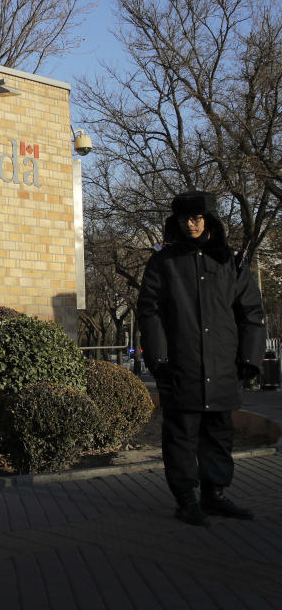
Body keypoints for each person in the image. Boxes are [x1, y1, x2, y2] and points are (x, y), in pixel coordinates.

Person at [137, 190, 265, 527]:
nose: (190, 225)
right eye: (184, 219)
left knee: (219, 435)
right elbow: (149, 313)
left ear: (208, 219)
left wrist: (250, 359)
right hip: (182, 366)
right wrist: (160, 358)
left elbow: (251, 311)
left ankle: (215, 495)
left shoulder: (230, 260)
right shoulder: (164, 262)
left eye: (196, 218)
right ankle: (186, 500)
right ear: (175, 221)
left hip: (223, 367)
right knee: (181, 436)